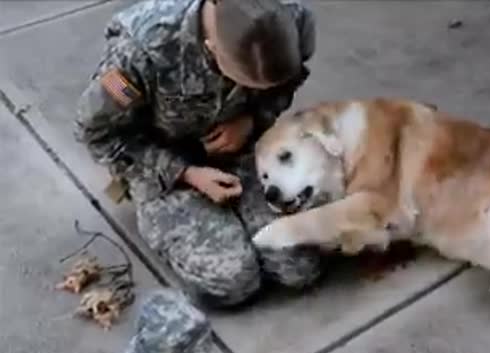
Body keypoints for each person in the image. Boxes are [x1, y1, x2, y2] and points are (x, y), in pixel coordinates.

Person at [74, 0, 324, 308]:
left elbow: (288, 80)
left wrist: (253, 119)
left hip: (242, 144)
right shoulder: (139, 54)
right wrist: (184, 172)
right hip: (164, 164)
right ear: (211, 48)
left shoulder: (292, 20)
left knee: (299, 265)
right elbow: (96, 133)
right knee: (235, 280)